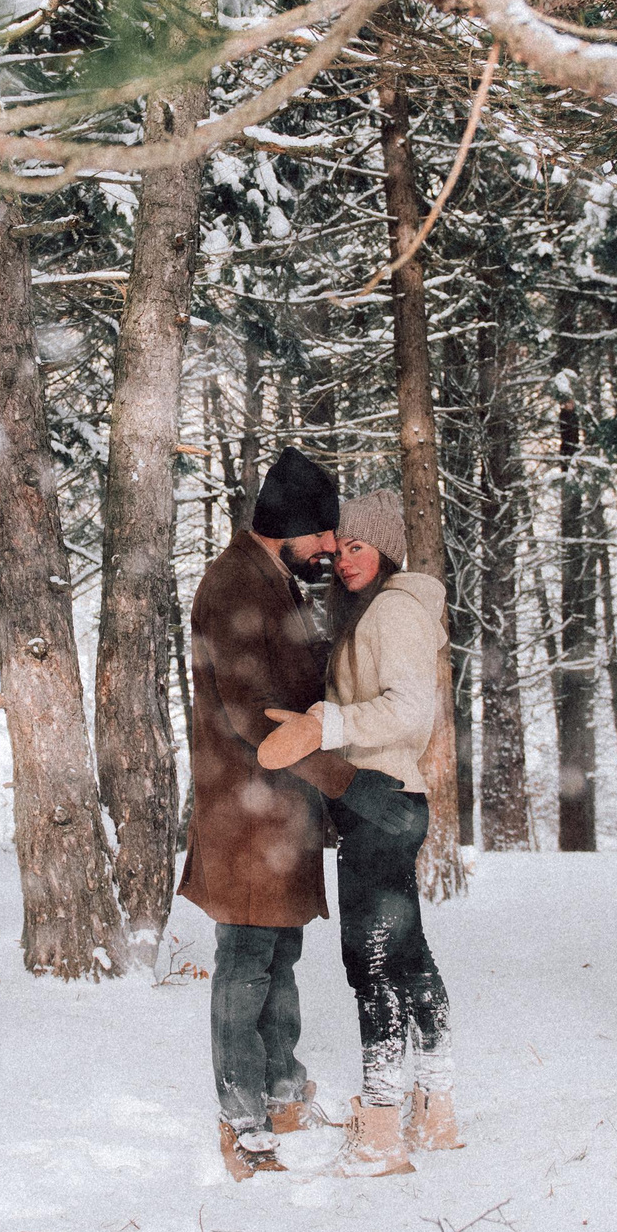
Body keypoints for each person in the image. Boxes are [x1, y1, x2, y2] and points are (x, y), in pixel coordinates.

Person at [259, 488, 459, 1178]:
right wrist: (323, 714)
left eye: (358, 547)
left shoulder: (395, 611)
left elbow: (407, 710)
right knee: (404, 954)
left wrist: (328, 725)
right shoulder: (374, 609)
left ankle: (379, 1131)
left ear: (385, 549)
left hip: (382, 801)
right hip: (387, 800)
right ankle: (434, 1105)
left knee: (369, 960)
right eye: (340, 548)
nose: (344, 560)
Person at [175, 446, 358, 1180]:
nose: (327, 548)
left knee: (279, 953)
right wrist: (340, 775)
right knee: (246, 961)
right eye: (320, 534)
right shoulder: (233, 584)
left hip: (278, 811)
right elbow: (253, 713)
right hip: (245, 813)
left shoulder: (276, 579)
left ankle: (282, 1091)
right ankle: (242, 1120)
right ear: (285, 524)